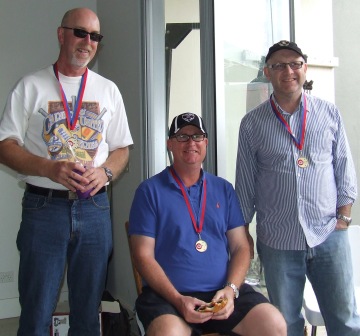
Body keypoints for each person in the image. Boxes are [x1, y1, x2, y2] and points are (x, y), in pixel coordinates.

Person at [0, 8, 133, 336]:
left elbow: (121, 149)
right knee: (37, 308)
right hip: (44, 208)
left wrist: (105, 173)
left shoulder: (108, 90)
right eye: (80, 32)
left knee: (88, 311)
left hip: (95, 209)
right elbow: (5, 145)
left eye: (95, 36)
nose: (88, 42)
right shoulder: (31, 86)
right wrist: (49, 168)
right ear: (61, 34)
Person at [235, 40, 360, 336]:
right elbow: (245, 185)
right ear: (267, 72)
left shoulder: (328, 113)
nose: (288, 71)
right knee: (285, 324)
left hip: (328, 235)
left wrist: (343, 217)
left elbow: (344, 167)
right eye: (279, 65)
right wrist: (243, 236)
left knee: (345, 321)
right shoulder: (252, 123)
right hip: (278, 241)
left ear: (304, 68)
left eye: (295, 64)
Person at [128, 112, 286, 336]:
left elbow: (241, 247)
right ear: (169, 144)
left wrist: (231, 290)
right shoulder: (149, 191)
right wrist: (178, 299)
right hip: (169, 297)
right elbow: (142, 255)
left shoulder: (224, 189)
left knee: (274, 325)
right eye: (182, 136)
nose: (191, 142)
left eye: (197, 136)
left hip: (220, 295)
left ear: (206, 143)